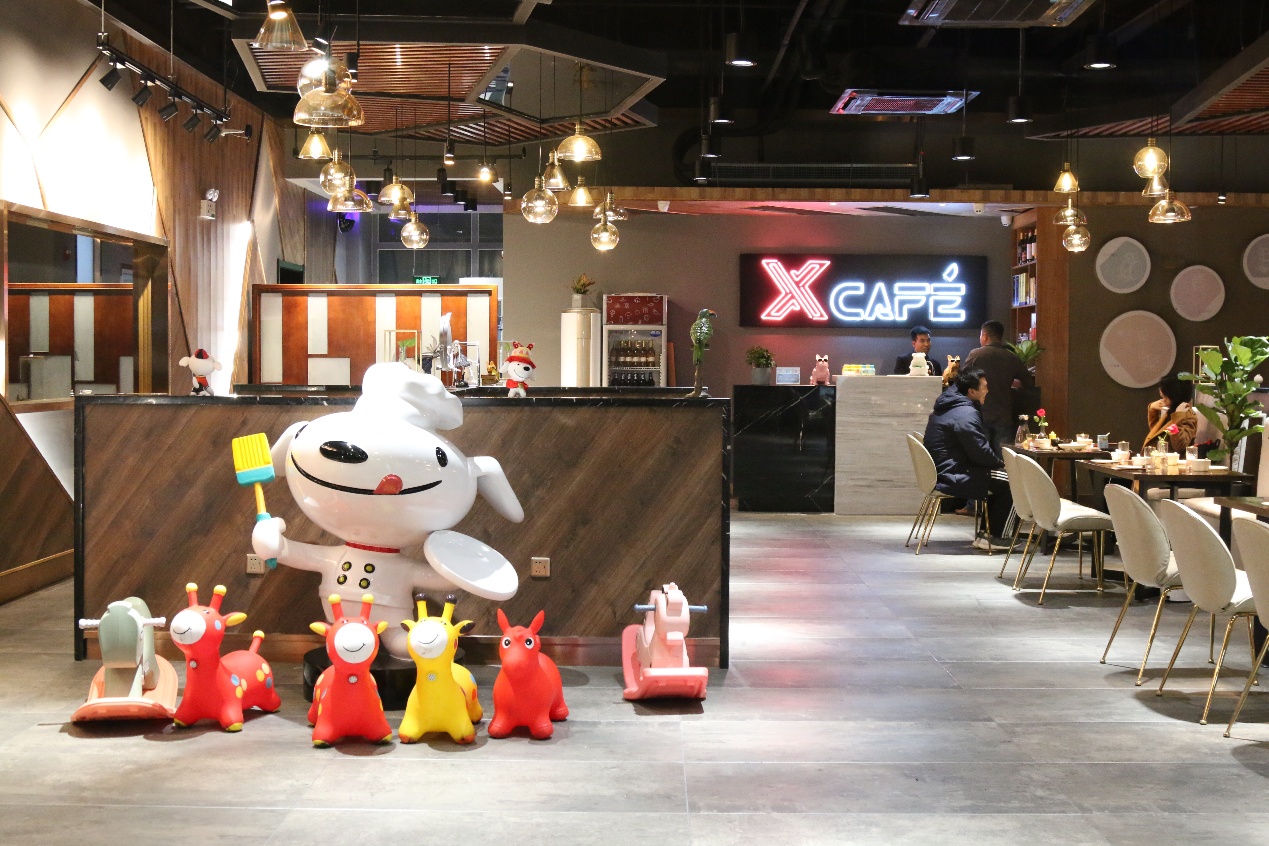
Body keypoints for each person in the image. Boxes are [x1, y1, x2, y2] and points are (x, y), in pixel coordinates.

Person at [923, 368, 1012, 549]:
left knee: (1000, 477)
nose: (987, 391)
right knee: (1012, 480)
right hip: (953, 474)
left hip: (944, 471)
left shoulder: (949, 406)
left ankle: (987, 534)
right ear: (971, 391)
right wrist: (1002, 464)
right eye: (984, 387)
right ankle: (997, 537)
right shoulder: (965, 413)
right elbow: (979, 451)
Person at [963, 320, 1033, 456]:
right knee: (1004, 459)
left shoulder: (976, 355)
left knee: (980, 457)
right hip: (1004, 417)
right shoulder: (1011, 357)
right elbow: (1028, 383)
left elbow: (963, 379)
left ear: (984, 336)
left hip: (981, 415)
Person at [1144, 375, 1197, 453]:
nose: (1160, 392)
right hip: (1158, 457)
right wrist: (1153, 410)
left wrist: (1178, 416)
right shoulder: (1172, 411)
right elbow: (1156, 435)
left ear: (1174, 394)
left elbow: (1180, 446)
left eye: (1165, 394)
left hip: (1170, 459)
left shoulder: (1187, 415)